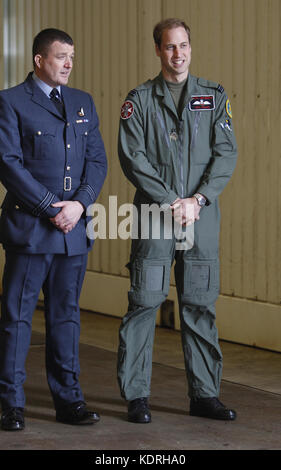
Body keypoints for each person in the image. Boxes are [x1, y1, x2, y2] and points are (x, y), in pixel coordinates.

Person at [117, 18, 237, 423]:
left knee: (200, 305)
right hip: (156, 215)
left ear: (191, 47)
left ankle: (205, 395)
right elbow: (133, 158)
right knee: (144, 302)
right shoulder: (140, 100)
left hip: (200, 216)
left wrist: (198, 199)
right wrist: (172, 200)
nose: (178, 54)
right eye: (170, 47)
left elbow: (226, 154)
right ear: (157, 50)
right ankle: (137, 397)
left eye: (184, 45)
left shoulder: (213, 96)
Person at [0, 28, 107, 431]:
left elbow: (97, 161)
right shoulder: (10, 102)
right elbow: (9, 163)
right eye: (61, 56)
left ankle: (69, 401)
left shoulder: (82, 102)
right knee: (17, 317)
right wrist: (49, 208)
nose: (68, 64)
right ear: (39, 60)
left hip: (72, 231)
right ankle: (11, 404)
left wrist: (79, 204)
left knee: (66, 317)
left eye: (72, 57)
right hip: (30, 230)